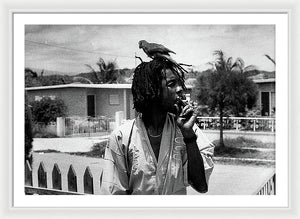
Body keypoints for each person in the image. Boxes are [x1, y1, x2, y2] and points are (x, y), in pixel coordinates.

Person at [104, 58, 214, 195]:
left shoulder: (187, 129)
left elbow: (201, 186)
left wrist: (189, 137)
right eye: (172, 84)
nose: (180, 89)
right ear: (153, 89)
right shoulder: (122, 137)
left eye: (180, 83)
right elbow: (114, 195)